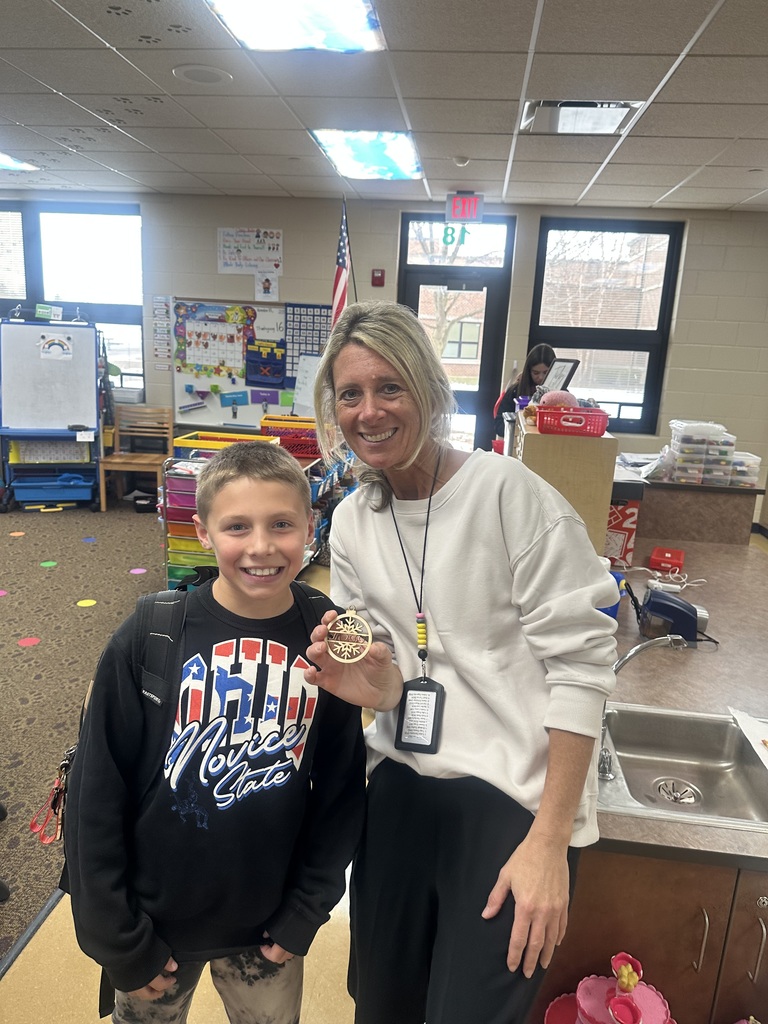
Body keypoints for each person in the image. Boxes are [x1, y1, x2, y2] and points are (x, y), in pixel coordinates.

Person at [305, 302, 618, 1024]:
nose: (369, 411)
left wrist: (550, 842)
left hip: (509, 805)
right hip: (401, 791)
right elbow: (385, 670)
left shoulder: (509, 495)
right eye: (350, 394)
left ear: (429, 389)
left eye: (390, 387)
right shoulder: (351, 521)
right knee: (381, 1008)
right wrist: (371, 683)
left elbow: (582, 669)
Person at [62, 441, 365, 1024]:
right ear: (202, 532)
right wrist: (119, 941)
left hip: (270, 925)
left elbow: (341, 787)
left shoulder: (325, 636)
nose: (261, 546)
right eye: (237, 526)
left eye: (281, 524)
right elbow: (95, 794)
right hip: (155, 926)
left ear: (311, 526)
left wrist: (308, 909)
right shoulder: (150, 635)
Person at [493, 342, 557, 437]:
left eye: (546, 372)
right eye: (536, 373)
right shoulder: (514, 391)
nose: (540, 377)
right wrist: (518, 426)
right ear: (529, 371)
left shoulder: (560, 394)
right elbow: (499, 425)